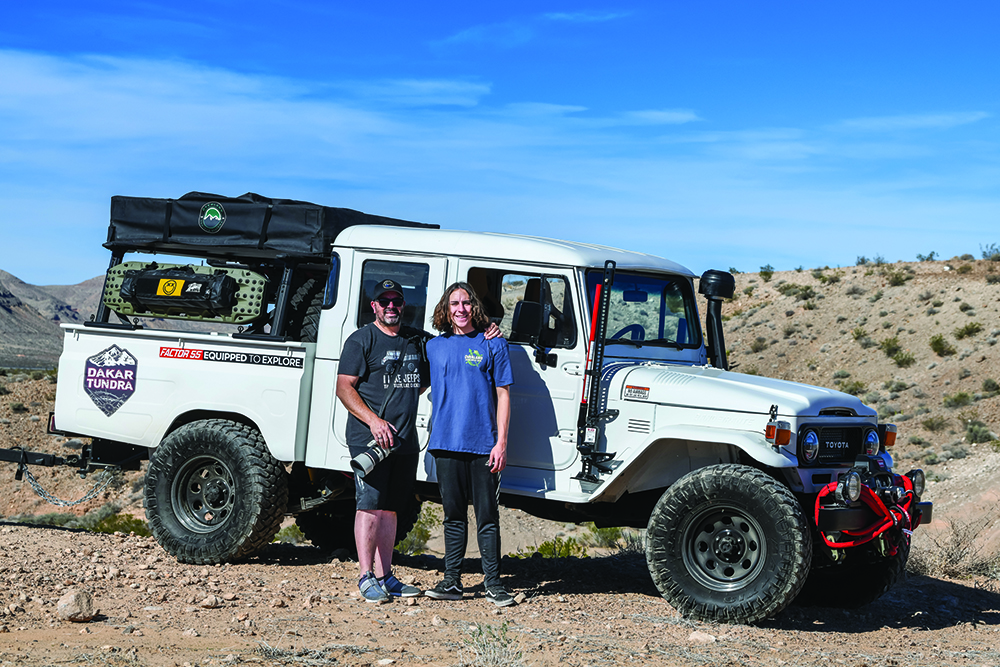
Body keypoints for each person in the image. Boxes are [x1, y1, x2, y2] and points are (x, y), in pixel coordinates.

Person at [337, 278, 501, 603]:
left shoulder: (417, 341)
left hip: (404, 440)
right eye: (384, 301)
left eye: (396, 301)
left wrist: (490, 329)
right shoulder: (361, 340)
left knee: (392, 510)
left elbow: (452, 345)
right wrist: (374, 421)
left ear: (403, 305)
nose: (391, 306)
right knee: (369, 506)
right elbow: (344, 387)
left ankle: (386, 576)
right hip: (370, 439)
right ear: (374, 306)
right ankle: (366, 576)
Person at [423, 282, 515, 607]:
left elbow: (504, 395)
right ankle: (452, 581)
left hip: (483, 444)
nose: (460, 309)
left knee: (488, 517)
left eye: (465, 302)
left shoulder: (493, 344)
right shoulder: (433, 347)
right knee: (453, 516)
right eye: (453, 304)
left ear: (473, 306)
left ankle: (493, 584)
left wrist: (501, 443)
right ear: (445, 310)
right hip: (445, 443)